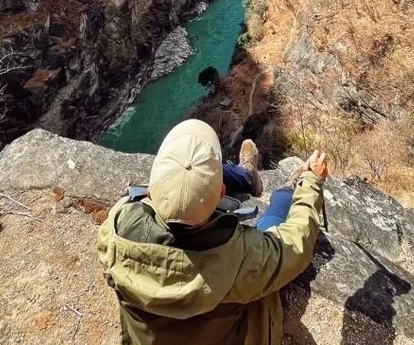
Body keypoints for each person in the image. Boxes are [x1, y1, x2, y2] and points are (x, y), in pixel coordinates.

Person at [98, 118, 328, 344]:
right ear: (221, 194)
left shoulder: (117, 227)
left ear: (150, 193)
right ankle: (278, 185)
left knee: (188, 175)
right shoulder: (244, 259)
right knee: (278, 207)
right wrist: (311, 183)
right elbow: (296, 245)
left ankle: (246, 174)